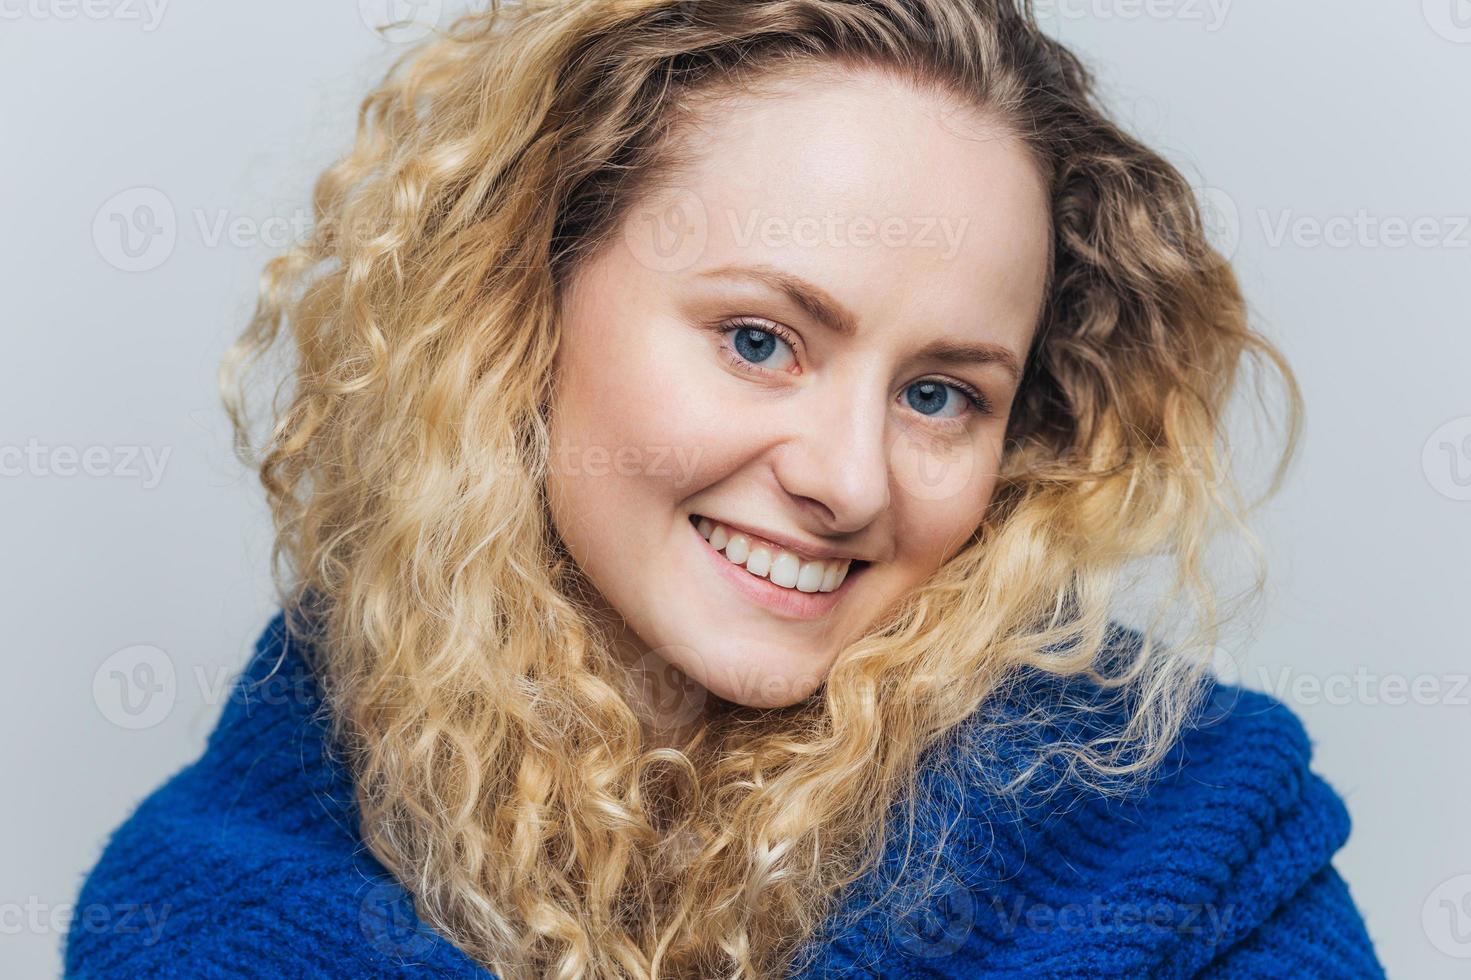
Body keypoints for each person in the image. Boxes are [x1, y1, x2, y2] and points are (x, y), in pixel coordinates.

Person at [66, 1, 1385, 976]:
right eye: (761, 340)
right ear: (522, 307)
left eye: (942, 394)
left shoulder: (1191, 847)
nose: (848, 479)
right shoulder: (200, 909)